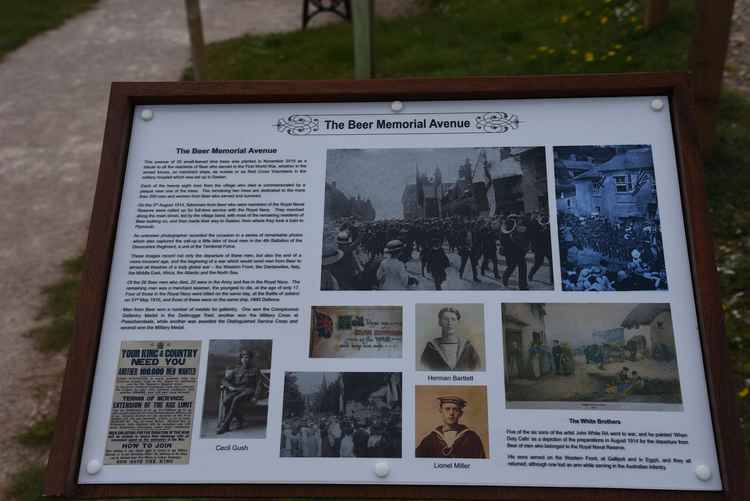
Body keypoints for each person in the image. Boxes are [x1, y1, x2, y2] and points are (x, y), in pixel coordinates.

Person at [415, 395, 486, 458]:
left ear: (460, 414)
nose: (451, 413)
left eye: (455, 409)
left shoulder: (472, 438)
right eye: (447, 409)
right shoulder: (430, 439)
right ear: (441, 411)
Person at [420, 307, 481, 371]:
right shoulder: (431, 347)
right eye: (445, 319)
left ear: (458, 322)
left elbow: (477, 370)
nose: (449, 323)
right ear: (440, 322)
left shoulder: (467, 347)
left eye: (453, 319)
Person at [217, 350, 262, 434]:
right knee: (226, 401)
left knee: (236, 399)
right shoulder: (237, 369)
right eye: (243, 357)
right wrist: (229, 386)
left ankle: (225, 425)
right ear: (241, 359)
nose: (245, 359)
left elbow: (259, 385)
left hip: (249, 390)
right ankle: (240, 419)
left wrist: (256, 397)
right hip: (237, 390)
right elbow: (224, 380)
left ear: (250, 359)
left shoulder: (255, 370)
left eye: (247, 357)